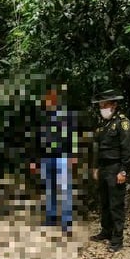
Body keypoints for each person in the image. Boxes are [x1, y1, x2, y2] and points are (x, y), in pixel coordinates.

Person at [89, 89, 130, 253]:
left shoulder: (123, 123)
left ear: (114, 105)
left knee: (116, 204)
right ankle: (106, 231)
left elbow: (127, 149)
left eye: (105, 105)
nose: (102, 108)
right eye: (100, 106)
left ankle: (117, 239)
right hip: (103, 168)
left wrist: (123, 171)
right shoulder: (102, 125)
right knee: (105, 202)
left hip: (116, 167)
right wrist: (95, 167)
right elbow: (97, 148)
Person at [29, 87, 77, 235]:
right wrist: (34, 160)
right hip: (46, 158)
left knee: (65, 189)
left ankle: (66, 221)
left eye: (52, 98)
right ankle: (50, 217)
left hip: (62, 156)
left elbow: (72, 136)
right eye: (47, 99)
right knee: (50, 189)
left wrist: (72, 154)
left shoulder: (66, 116)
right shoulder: (42, 118)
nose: (49, 101)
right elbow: (36, 140)